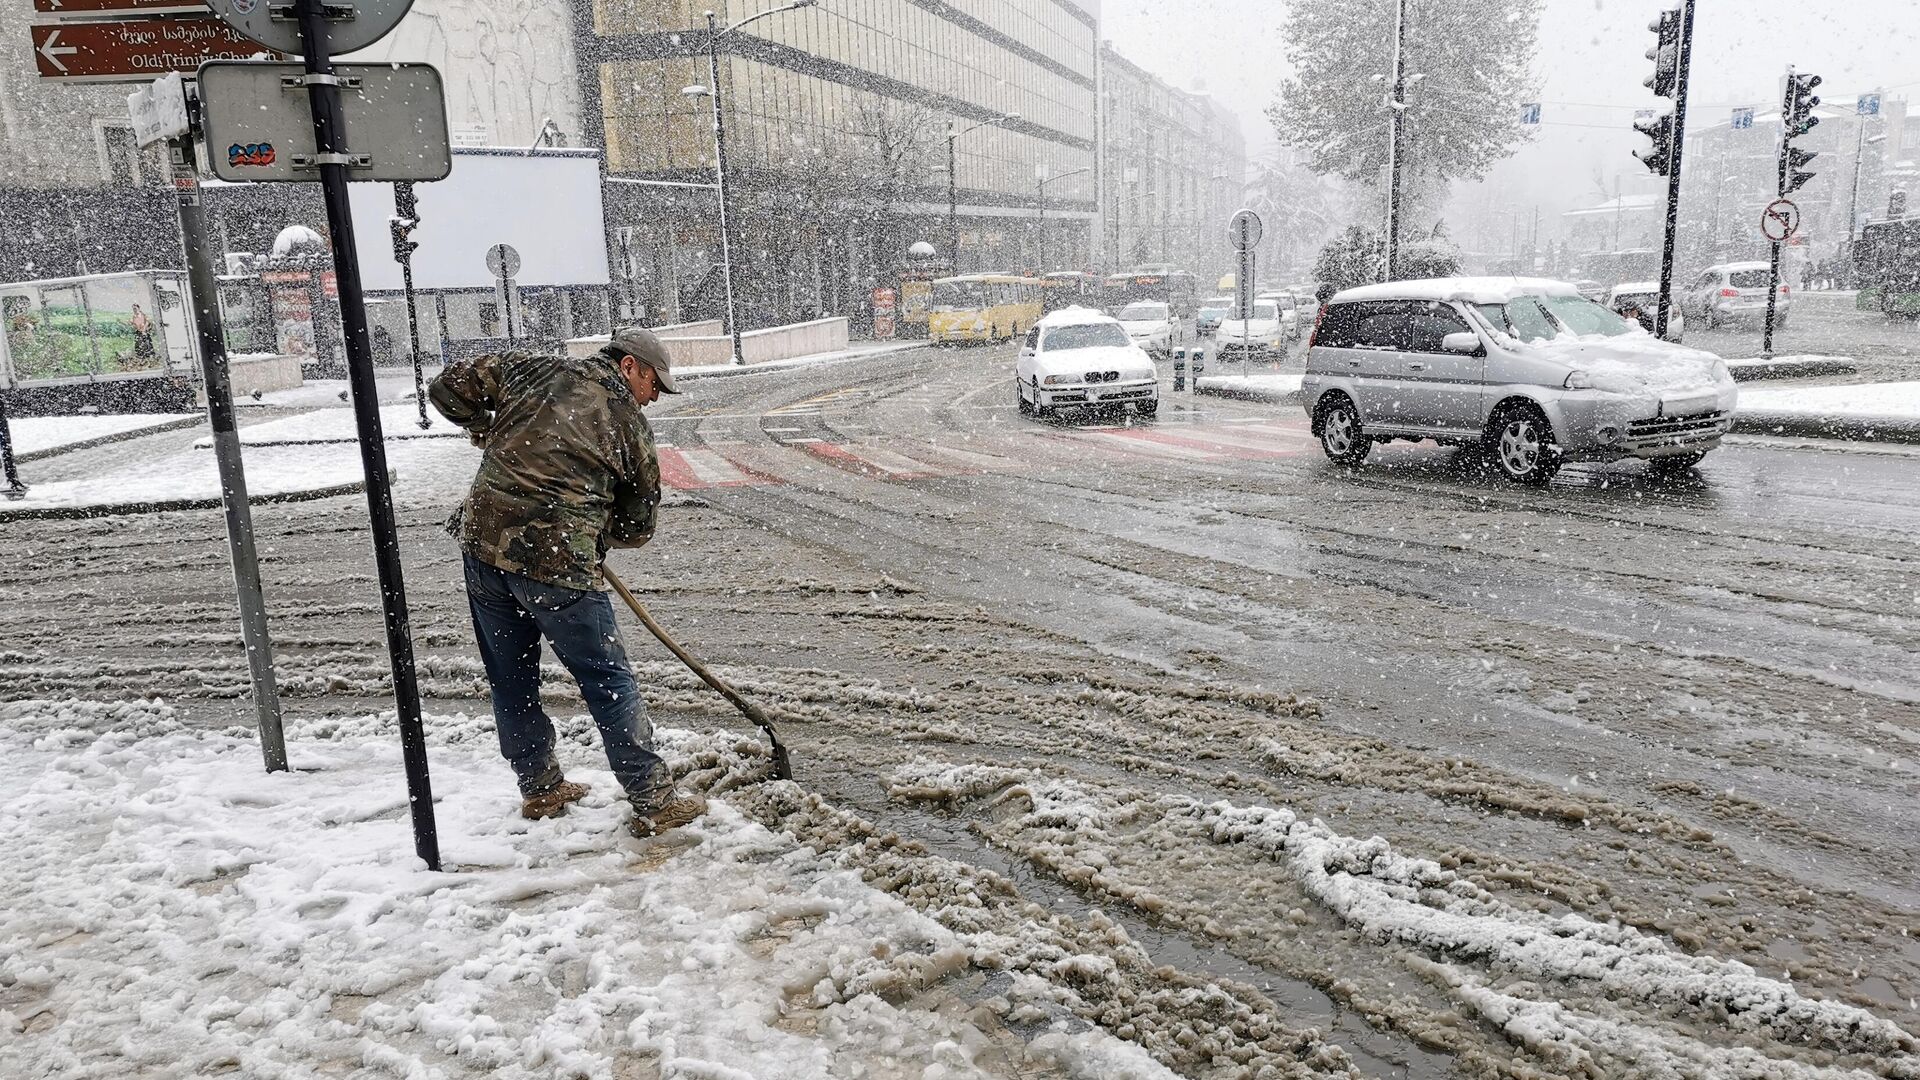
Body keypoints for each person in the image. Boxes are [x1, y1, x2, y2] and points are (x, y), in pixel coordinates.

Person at [428, 328, 708, 838]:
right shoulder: (628, 425)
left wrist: (482, 427)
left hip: (485, 549)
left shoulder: (530, 369)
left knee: (510, 678)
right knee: (608, 681)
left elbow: (447, 388)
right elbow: (638, 526)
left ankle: (539, 785)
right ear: (630, 367)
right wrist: (592, 528)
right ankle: (652, 797)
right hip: (560, 568)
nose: (653, 397)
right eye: (653, 385)